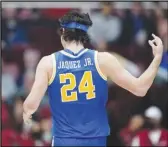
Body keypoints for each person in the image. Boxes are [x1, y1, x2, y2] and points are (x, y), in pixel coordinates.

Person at [23, 11, 163, 146]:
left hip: (64, 141)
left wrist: (27, 112)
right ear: (85, 36)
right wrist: (157, 58)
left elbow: (31, 104)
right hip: (94, 141)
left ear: (63, 33)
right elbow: (140, 89)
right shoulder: (103, 60)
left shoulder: (48, 63)